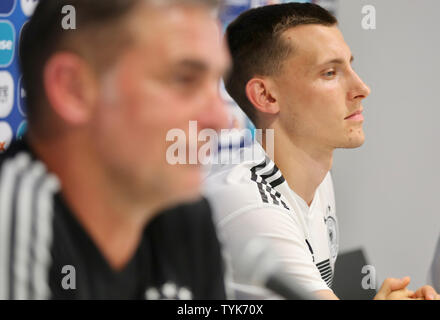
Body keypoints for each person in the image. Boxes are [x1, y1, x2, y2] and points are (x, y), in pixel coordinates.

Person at [204, 2, 439, 300]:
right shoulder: (249, 204)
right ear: (266, 95)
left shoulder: (317, 178)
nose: (362, 87)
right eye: (330, 73)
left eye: (350, 66)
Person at [0, 0, 231, 299]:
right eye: (184, 79)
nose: (221, 120)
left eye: (216, 84)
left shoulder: (187, 217)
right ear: (73, 89)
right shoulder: (13, 219)